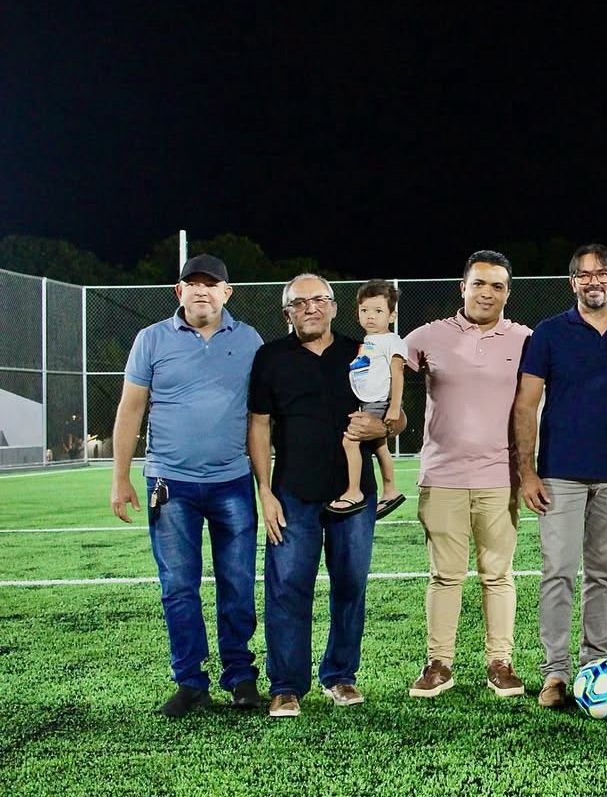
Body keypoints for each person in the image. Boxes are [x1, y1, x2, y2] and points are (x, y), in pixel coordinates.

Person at [109, 254, 265, 716]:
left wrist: (266, 484)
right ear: (179, 292)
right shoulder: (151, 338)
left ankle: (240, 678)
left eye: (210, 284)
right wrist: (119, 477)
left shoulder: (250, 339)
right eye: (192, 283)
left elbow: (261, 416)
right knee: (178, 587)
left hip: (232, 481)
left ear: (226, 293)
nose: (201, 291)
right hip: (169, 483)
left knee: (238, 583)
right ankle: (191, 683)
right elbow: (130, 408)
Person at [248, 273, 406, 718]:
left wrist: (384, 427)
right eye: (300, 303)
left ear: (334, 307)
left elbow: (396, 417)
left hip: (353, 496)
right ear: (287, 313)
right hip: (292, 492)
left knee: (350, 585)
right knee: (287, 587)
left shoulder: (363, 351)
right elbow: (258, 425)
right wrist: (265, 491)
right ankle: (286, 686)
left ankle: (340, 675)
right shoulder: (270, 357)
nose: (311, 308)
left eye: (319, 300)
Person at [512, 243, 607, 709]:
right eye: (584, 274)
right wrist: (527, 471)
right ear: (573, 283)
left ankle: (596, 663)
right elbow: (526, 404)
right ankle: (555, 672)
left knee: (603, 573)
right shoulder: (549, 333)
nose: (594, 281)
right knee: (558, 571)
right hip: (560, 473)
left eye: (603, 273)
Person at [402, 251, 530, 700]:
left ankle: (501, 663)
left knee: (498, 574)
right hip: (442, 476)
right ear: (463, 288)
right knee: (445, 575)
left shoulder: (525, 339)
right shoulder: (430, 335)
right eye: (479, 283)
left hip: (501, 477)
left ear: (508, 293)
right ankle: (439, 664)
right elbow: (385, 359)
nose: (487, 293)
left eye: (497, 286)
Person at [327, 280, 407, 519]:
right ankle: (390, 490)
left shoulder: (392, 341)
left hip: (379, 403)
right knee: (379, 446)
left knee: (350, 442)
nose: (370, 316)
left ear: (391, 316)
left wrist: (394, 407)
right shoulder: (368, 342)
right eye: (364, 310)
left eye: (378, 311)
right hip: (367, 402)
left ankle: (354, 491)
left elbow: (398, 374)